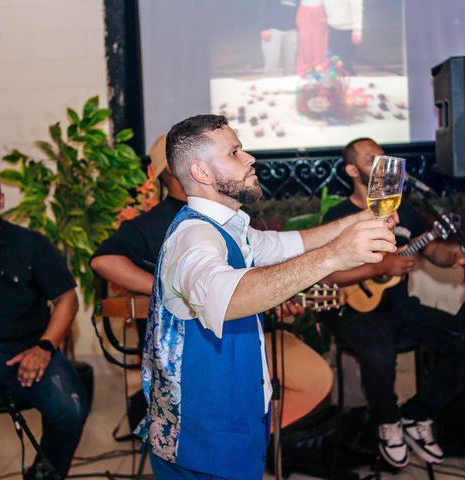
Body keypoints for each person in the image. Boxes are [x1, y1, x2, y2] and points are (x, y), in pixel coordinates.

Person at [135, 114, 397, 480]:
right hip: (204, 443)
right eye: (235, 152)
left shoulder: (230, 228)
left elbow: (295, 243)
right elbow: (230, 296)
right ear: (202, 173)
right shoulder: (193, 238)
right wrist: (336, 256)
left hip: (230, 427)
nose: (250, 158)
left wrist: (361, 220)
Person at [320, 138, 465, 468]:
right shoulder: (338, 215)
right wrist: (379, 267)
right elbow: (324, 277)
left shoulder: (405, 211)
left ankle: (417, 416)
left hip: (401, 308)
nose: (380, 162)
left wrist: (453, 255)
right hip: (355, 311)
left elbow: (432, 252)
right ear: (351, 170)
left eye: (382, 156)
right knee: (378, 354)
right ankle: (388, 422)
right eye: (370, 157)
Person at [0, 167, 88, 479]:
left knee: (70, 408)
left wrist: (44, 347)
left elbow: (67, 299)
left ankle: (42, 475)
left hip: (26, 348)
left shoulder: (30, 244)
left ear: (0, 201)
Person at [90, 134, 187, 298]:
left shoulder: (232, 209)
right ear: (172, 166)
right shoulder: (152, 222)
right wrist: (166, 292)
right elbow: (103, 261)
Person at [259, 0, 299, 77]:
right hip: (273, 30)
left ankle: (288, 86)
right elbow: (263, 7)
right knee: (271, 63)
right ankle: (269, 86)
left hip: (291, 31)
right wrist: (264, 27)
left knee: (290, 65)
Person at [324, 0, 363, 75]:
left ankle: (351, 82)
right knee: (334, 63)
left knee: (346, 64)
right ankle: (336, 84)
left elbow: (357, 9)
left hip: (347, 30)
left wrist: (357, 31)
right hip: (332, 29)